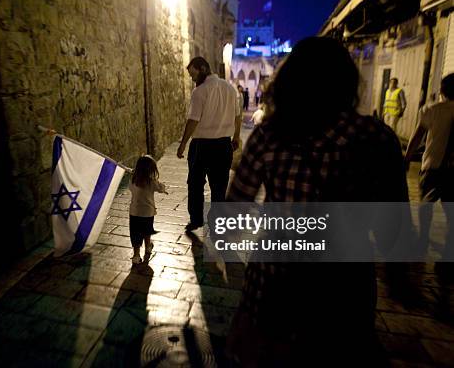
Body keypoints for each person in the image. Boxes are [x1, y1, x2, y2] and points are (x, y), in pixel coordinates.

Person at [226, 37, 407, 366]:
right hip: (344, 294)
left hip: (272, 288)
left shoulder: (268, 135)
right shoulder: (376, 139)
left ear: (289, 80)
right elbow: (394, 231)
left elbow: (234, 209)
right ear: (347, 83)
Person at [177, 56, 241, 231]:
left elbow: (193, 120)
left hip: (201, 146)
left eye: (193, 74)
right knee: (219, 187)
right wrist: (236, 136)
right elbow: (238, 115)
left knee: (195, 185)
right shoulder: (230, 88)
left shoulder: (200, 92)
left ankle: (196, 219)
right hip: (223, 146)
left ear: (203, 68)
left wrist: (182, 144)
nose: (192, 78)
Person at [404, 73, 454, 261]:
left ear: (442, 90)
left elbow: (418, 136)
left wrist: (407, 158)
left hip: (432, 165)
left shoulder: (432, 110)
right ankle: (449, 250)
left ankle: (423, 240)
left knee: (426, 206)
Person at [129, 155, 168, 264]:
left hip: (134, 212)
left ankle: (136, 255)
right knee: (147, 231)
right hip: (147, 213)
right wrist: (162, 187)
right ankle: (148, 247)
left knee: (135, 234)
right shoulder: (152, 182)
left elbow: (130, 189)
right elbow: (161, 188)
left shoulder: (133, 180)